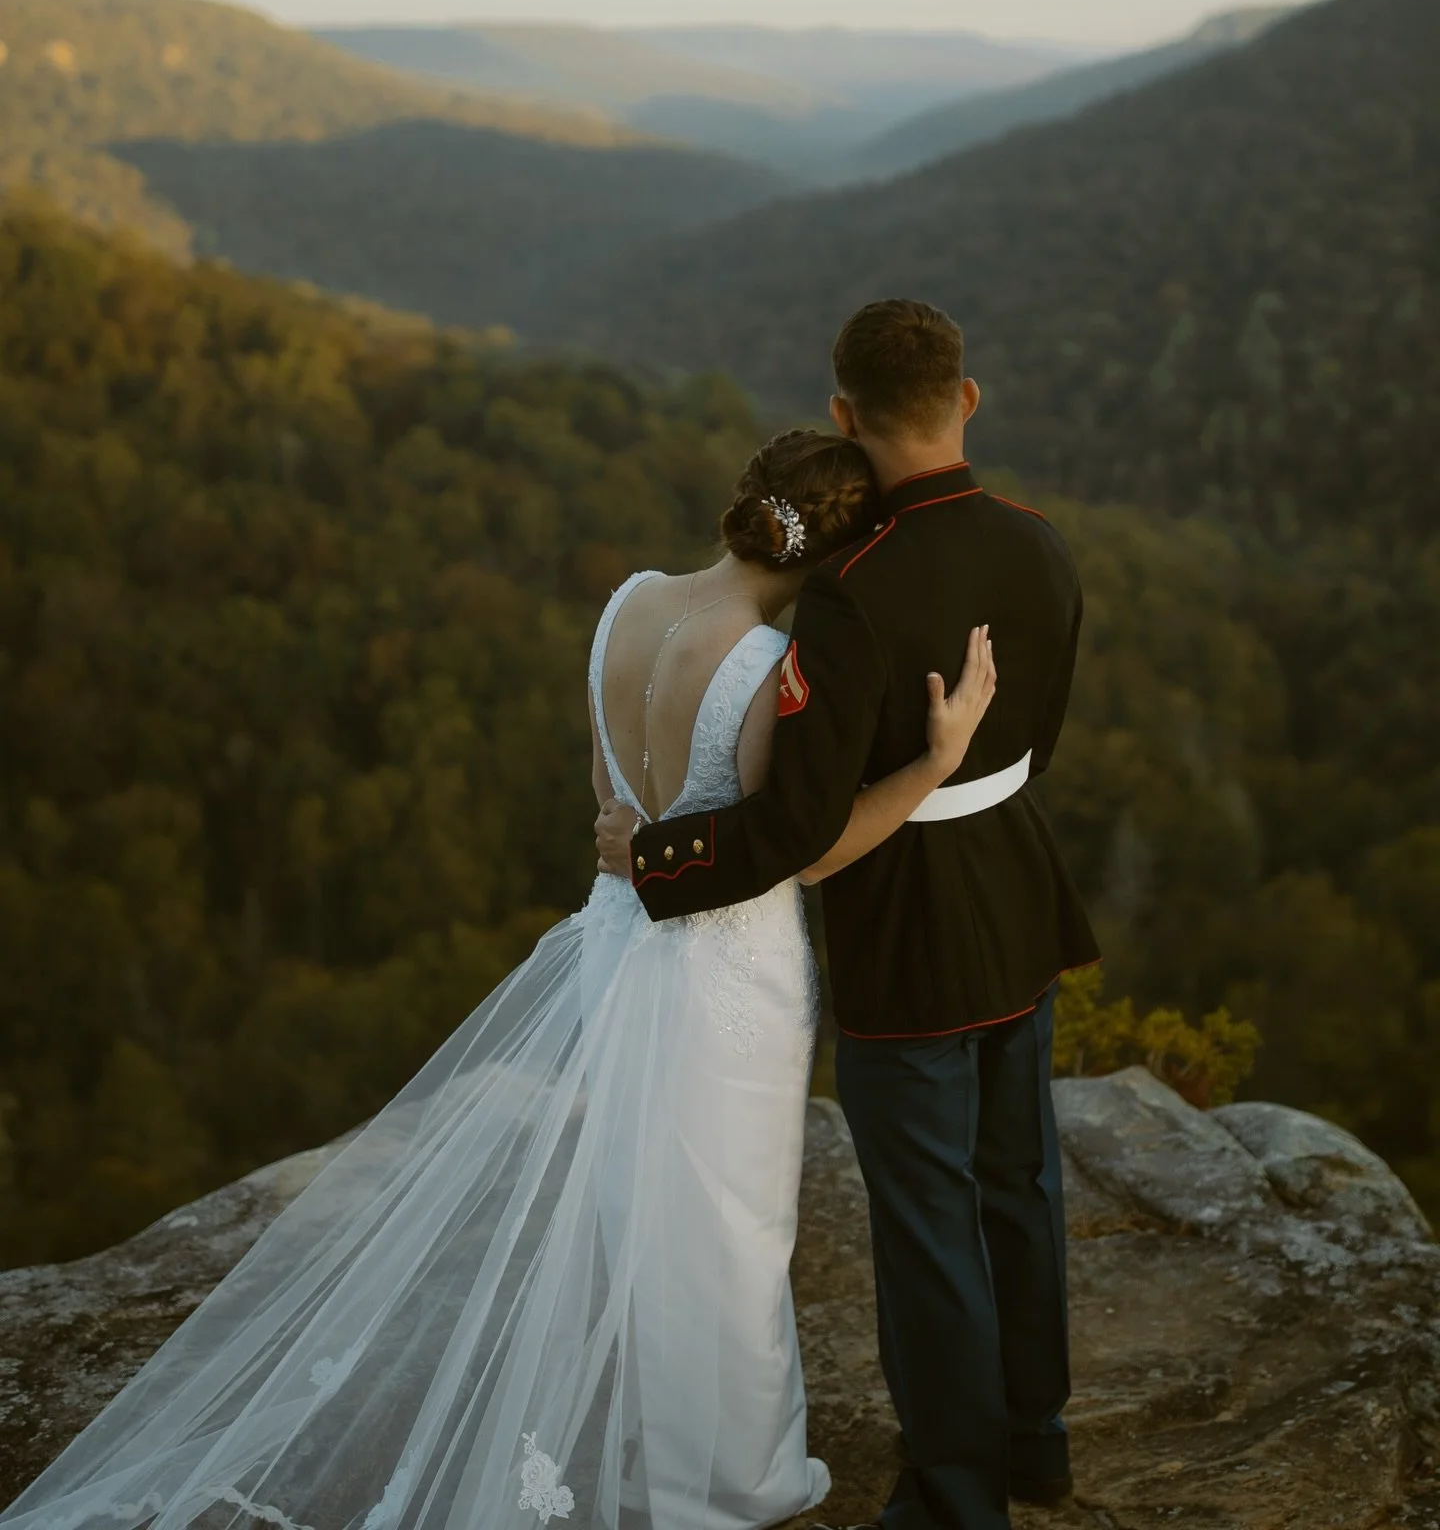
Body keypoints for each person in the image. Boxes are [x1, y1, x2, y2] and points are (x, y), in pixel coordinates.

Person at [0, 427, 996, 1530]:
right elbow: (799, 851)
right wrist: (935, 761)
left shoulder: (627, 605)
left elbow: (609, 800)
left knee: (640, 1216)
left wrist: (641, 841)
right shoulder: (769, 667)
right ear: (838, 552)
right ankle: (724, 1482)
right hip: (727, 972)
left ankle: (655, 1438)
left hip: (618, 942)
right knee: (731, 1233)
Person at [597, 300, 1101, 1530]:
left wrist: (654, 859)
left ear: (842, 413)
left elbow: (795, 831)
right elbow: (1039, 742)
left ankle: (956, 1491)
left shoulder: (849, 591)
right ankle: (1035, 1442)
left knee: (929, 1220)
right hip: (1020, 893)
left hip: (906, 925)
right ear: (966, 398)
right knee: (1020, 1181)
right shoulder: (1041, 544)